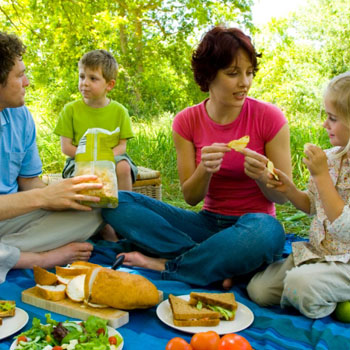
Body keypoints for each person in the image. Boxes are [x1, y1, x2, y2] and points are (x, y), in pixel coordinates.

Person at [102, 26, 292, 287]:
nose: (244, 82)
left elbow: (282, 197)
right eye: (233, 73)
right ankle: (215, 262)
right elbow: (191, 198)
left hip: (251, 227)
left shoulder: (270, 117)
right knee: (116, 201)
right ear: (209, 76)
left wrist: (262, 178)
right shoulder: (186, 121)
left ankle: (171, 265)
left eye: (249, 73)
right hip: (206, 224)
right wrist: (205, 169)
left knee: (267, 230)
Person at [0, 32, 105, 284]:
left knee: (95, 208)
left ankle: (8, 254)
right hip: (16, 223)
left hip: (13, 220)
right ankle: (37, 258)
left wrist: (63, 197)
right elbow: (36, 195)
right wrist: (43, 197)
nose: (26, 82)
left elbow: (30, 183)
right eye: (19, 75)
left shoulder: (20, 115)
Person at [247, 72, 350, 319]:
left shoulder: (325, 167)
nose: (325, 124)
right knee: (258, 290)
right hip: (319, 254)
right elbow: (314, 206)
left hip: (346, 263)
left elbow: (344, 228)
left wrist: (322, 175)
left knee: (299, 284)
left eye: (332, 118)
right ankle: (321, 291)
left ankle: (330, 299)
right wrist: (289, 190)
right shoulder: (332, 158)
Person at [54, 49, 137, 241]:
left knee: (123, 167)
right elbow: (66, 148)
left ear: (110, 85)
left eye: (93, 78)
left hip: (112, 157)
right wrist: (92, 160)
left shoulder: (119, 111)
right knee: (88, 175)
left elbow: (122, 146)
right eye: (82, 76)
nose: (84, 83)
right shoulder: (71, 110)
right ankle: (102, 226)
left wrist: (105, 160)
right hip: (79, 159)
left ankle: (124, 218)